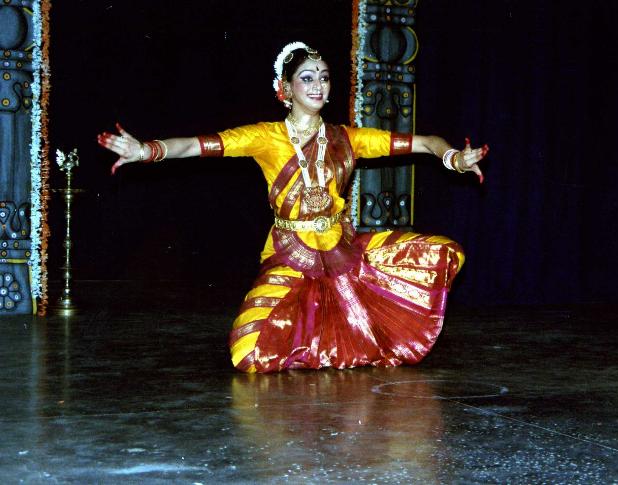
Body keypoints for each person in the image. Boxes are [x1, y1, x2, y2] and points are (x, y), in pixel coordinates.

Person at [98, 42, 489, 373]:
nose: (318, 85)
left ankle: (332, 342)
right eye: (307, 77)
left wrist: (454, 157)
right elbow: (196, 146)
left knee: (442, 252)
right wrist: (145, 151)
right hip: (290, 254)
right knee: (248, 352)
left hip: (343, 252)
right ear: (285, 88)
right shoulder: (265, 137)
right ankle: (319, 343)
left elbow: (425, 142)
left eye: (324, 77)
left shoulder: (347, 138)